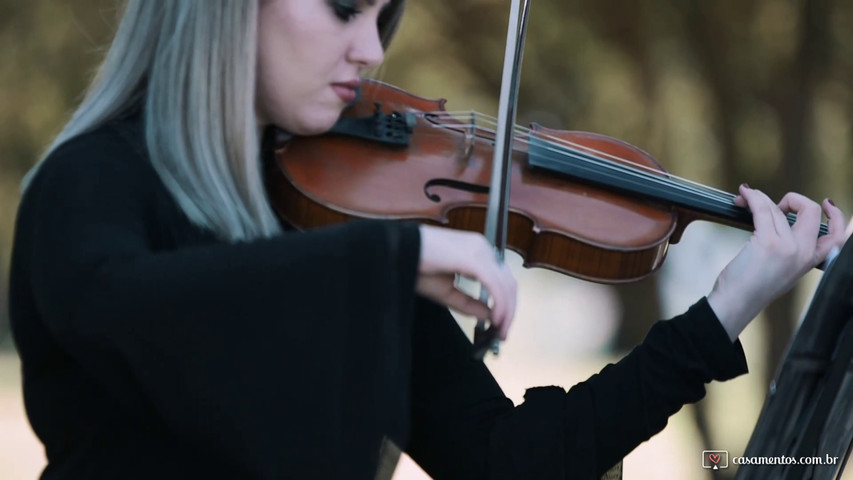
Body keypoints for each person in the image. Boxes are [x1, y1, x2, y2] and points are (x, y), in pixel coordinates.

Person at [7, 1, 848, 479]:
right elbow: (111, 301)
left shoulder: (331, 223)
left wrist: (724, 308)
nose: (369, 51)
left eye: (385, 14)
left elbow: (507, 464)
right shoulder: (94, 182)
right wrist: (393, 262)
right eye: (343, 7)